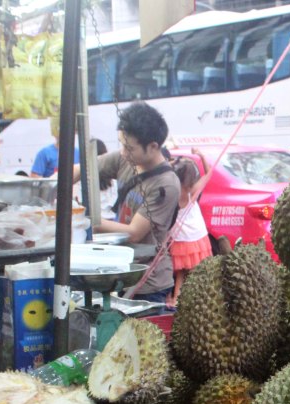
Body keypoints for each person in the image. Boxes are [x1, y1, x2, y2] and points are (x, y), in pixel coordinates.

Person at [90, 102, 180, 303]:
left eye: (129, 148)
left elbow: (134, 233)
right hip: (123, 272)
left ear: (153, 146)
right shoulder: (126, 159)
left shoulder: (166, 184)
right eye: (122, 144)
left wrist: (88, 220)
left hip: (149, 281)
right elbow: (84, 168)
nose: (123, 152)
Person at [167, 158, 213, 308]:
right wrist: (201, 156)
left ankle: (176, 298)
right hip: (196, 237)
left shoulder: (172, 193)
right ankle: (195, 301)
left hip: (179, 239)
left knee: (181, 273)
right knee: (195, 273)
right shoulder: (192, 192)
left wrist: (170, 165)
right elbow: (209, 173)